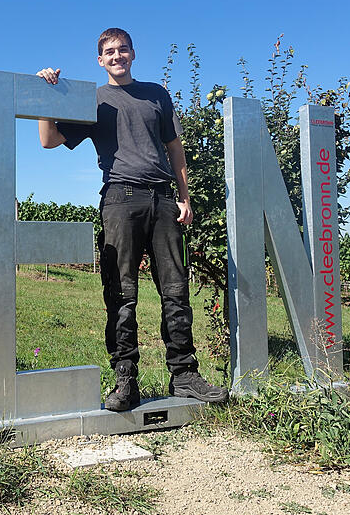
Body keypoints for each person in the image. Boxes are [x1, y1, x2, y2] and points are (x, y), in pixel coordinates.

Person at [37, 27, 228, 411]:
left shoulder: (156, 94)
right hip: (120, 199)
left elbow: (175, 148)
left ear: (133, 53)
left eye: (122, 49)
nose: (117, 56)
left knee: (176, 290)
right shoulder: (94, 101)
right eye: (109, 51)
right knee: (121, 293)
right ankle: (125, 381)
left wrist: (184, 197)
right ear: (100, 60)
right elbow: (49, 139)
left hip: (163, 200)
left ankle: (184, 375)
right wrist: (45, 95)